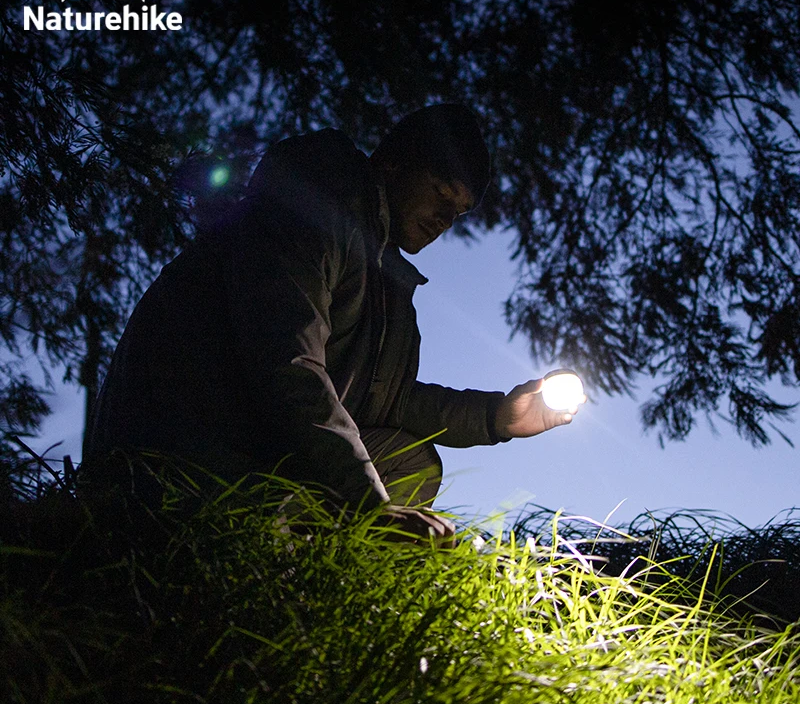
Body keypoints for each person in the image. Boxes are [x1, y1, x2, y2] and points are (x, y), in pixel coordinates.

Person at [82, 104, 582, 543]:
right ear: (393, 162)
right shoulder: (316, 202)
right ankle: (247, 555)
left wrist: (498, 417)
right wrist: (369, 508)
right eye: (440, 194)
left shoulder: (386, 285)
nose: (443, 219)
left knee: (410, 463)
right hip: (180, 443)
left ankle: (306, 561)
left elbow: (388, 401)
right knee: (374, 483)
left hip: (251, 445)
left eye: (458, 212)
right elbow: (285, 361)